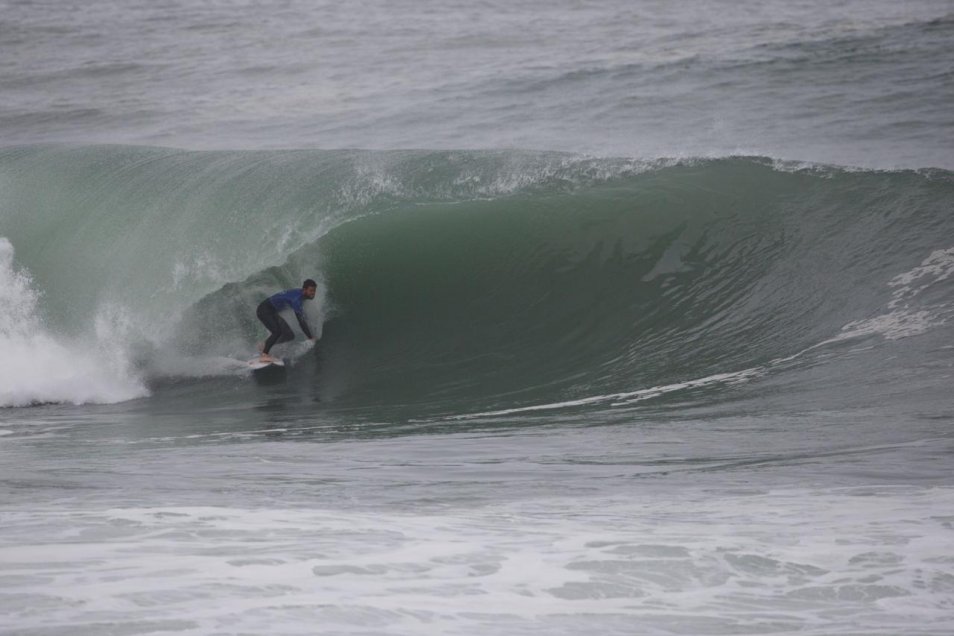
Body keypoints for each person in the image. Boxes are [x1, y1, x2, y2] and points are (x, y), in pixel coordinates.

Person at [256, 279, 317, 362]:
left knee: (289, 335)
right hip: (264, 310)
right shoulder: (296, 300)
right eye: (311, 291)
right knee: (277, 332)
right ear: (304, 290)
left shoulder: (300, 294)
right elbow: (301, 322)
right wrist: (310, 337)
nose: (313, 293)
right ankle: (264, 354)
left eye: (314, 290)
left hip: (272, 312)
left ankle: (264, 345)